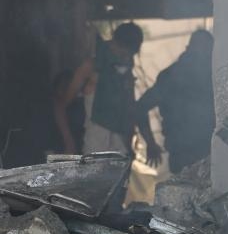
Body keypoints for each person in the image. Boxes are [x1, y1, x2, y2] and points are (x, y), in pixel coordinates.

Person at [56, 22, 147, 158]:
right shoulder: (90, 67)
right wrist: (68, 142)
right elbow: (60, 106)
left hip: (120, 150)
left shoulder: (125, 73)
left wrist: (130, 143)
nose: (126, 57)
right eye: (124, 52)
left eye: (129, 54)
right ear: (115, 43)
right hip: (95, 148)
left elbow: (129, 110)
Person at [135, 30, 215, 174]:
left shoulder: (213, 77)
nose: (203, 56)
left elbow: (140, 107)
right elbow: (140, 107)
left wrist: (151, 144)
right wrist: (150, 143)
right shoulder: (170, 77)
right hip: (186, 156)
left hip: (207, 157)